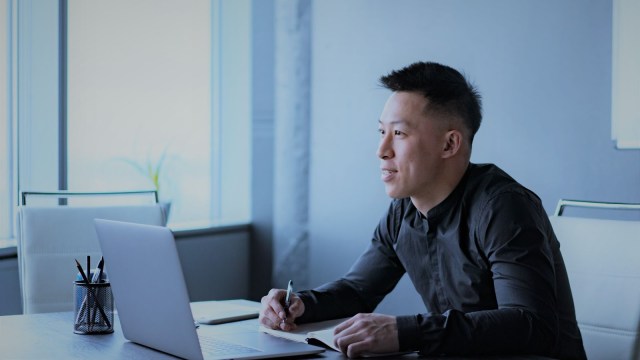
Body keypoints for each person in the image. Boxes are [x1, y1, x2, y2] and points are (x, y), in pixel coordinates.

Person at [259, 61, 586, 359]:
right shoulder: (403, 212)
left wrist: (406, 332)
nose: (381, 150)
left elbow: (531, 326)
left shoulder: (503, 207)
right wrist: (300, 304)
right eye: (381, 132)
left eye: (399, 133)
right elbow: (357, 290)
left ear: (449, 144)